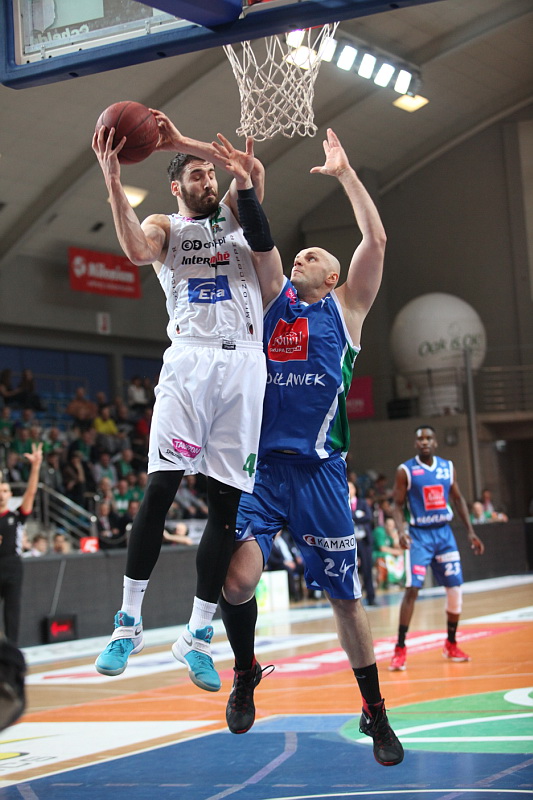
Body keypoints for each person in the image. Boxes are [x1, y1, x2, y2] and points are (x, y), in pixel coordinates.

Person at [219, 129, 403, 766]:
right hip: (264, 472)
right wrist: (245, 184)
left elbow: (376, 240)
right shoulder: (275, 299)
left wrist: (346, 174)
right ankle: (246, 670)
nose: (302, 256)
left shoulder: (347, 310)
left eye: (314, 254)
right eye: (299, 254)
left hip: (321, 474)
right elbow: (261, 240)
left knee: (345, 599)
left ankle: (375, 710)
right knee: (236, 582)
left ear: (334, 275)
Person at [92, 114, 268, 689]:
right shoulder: (165, 224)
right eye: (196, 175)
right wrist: (113, 180)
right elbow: (135, 250)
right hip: (190, 362)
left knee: (224, 509)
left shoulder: (237, 214)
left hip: (244, 365)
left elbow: (250, 170)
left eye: (209, 174)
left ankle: (196, 636)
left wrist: (184, 142)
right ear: (176, 186)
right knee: (160, 489)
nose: (207, 180)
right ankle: (128, 624)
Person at [389, 425, 485, 672]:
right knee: (412, 589)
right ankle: (400, 648)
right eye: (420, 438)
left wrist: (471, 531)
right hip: (419, 536)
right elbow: (396, 505)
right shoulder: (405, 470)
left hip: (444, 533)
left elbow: (458, 499)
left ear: (435, 442)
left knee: (455, 589)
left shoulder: (447, 467)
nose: (424, 442)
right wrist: (401, 531)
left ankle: (451, 643)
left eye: (428, 438)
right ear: (415, 444)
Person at [0, 443, 43, 642]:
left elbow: (30, 493)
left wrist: (35, 467)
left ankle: (11, 650)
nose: (2, 494)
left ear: (10, 495)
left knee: (12, 612)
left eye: (5, 490)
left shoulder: (16, 516)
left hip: (12, 566)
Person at [349, 481, 376, 606]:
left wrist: (353, 516)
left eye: (351, 487)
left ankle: (371, 597)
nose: (349, 490)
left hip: (364, 541)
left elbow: (368, 517)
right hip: (350, 542)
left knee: (367, 570)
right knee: (350, 571)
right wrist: (358, 515)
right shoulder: (343, 503)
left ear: (355, 489)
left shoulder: (363, 503)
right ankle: (352, 600)